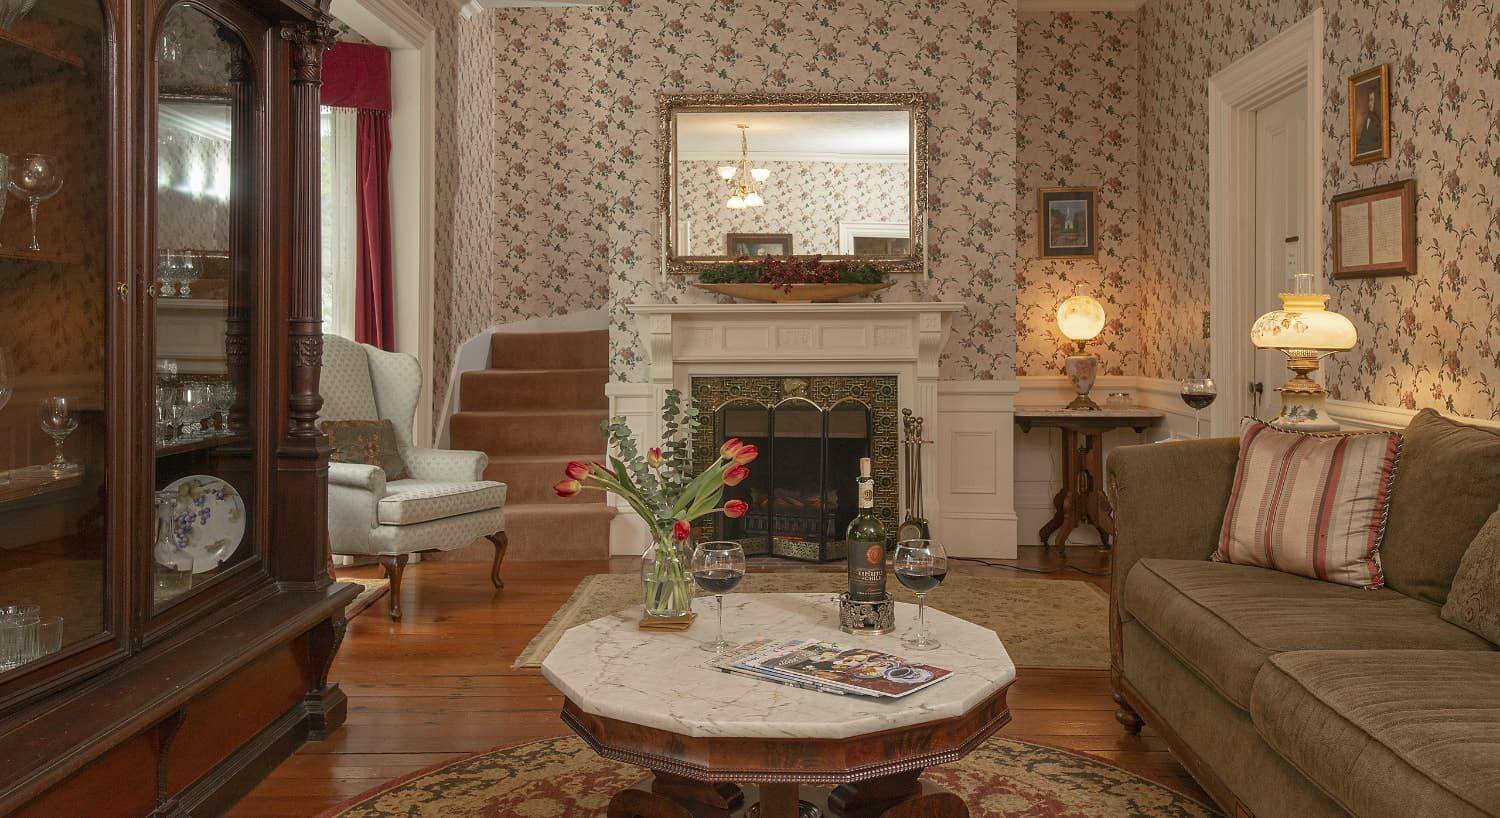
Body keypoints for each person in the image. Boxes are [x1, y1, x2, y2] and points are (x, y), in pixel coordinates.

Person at [1355, 87, 1384, 156]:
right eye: (1369, 100)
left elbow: (1376, 141)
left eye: (1372, 100)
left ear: (1375, 101)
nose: (1370, 103)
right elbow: (1363, 138)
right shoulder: (1366, 118)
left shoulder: (1376, 121)